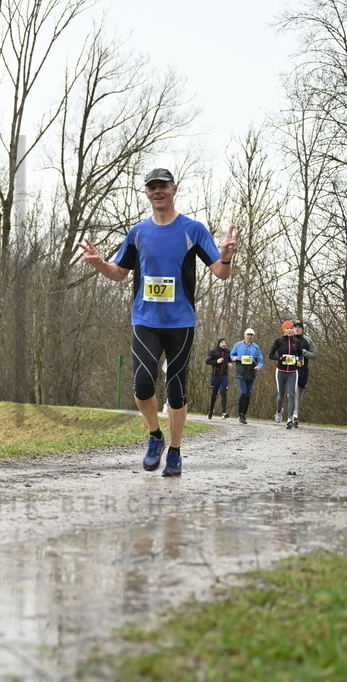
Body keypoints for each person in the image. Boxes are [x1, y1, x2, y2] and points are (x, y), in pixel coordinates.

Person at [78, 167, 238, 477]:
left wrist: (227, 255)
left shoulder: (192, 229)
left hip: (180, 321)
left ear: (174, 189)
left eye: (163, 186)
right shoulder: (138, 232)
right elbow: (118, 273)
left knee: (176, 390)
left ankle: (175, 451)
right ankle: (155, 436)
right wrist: (99, 264)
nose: (157, 191)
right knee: (142, 384)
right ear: (147, 193)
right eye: (152, 187)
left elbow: (220, 272)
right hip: (145, 319)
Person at [269, 320, 311, 429]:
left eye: (291, 328)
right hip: (281, 371)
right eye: (287, 328)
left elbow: (299, 355)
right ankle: (279, 411)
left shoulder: (296, 342)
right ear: (283, 330)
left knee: (292, 394)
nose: (289, 330)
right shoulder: (279, 341)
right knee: (280, 396)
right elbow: (271, 355)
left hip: (293, 371)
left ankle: (289, 419)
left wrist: (298, 361)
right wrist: (281, 358)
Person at [229, 327, 264, 423]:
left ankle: (244, 414)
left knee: (248, 393)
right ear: (244, 335)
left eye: (251, 335)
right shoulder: (238, 345)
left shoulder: (256, 347)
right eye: (248, 335)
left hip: (251, 371)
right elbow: (231, 354)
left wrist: (259, 366)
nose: (249, 337)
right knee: (243, 392)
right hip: (240, 371)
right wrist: (235, 358)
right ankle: (240, 414)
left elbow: (260, 360)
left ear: (253, 337)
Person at [293, 320, 318, 413]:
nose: (297, 329)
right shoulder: (288, 339)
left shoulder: (308, 340)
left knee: (299, 392)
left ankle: (296, 412)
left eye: (299, 327)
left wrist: (304, 352)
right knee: (292, 392)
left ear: (302, 329)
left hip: (303, 369)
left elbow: (315, 354)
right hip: (290, 369)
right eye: (295, 327)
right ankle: (291, 413)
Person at [205, 338, 232, 419]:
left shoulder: (228, 352)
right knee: (214, 394)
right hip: (215, 376)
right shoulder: (214, 352)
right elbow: (207, 361)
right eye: (222, 342)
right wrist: (216, 361)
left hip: (224, 376)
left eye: (225, 342)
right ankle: (211, 410)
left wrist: (230, 363)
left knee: (224, 392)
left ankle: (224, 411)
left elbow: (230, 360)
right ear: (219, 343)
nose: (224, 344)